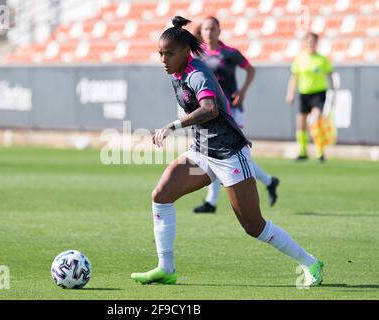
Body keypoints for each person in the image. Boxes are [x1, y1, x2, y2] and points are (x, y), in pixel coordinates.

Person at [130, 16, 323, 286]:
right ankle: (166, 268)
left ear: (186, 52)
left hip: (230, 154)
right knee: (161, 195)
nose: (163, 59)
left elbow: (211, 109)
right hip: (202, 152)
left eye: (169, 54)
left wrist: (173, 125)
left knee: (253, 226)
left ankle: (311, 262)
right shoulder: (176, 72)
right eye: (161, 53)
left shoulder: (197, 73)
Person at [192, 16, 279, 214]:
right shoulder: (198, 55)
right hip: (210, 112)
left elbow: (250, 69)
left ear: (219, 31)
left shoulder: (229, 53)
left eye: (213, 28)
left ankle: (213, 201)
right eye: (206, 29)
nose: (209, 32)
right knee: (212, 153)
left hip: (231, 110)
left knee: (233, 152)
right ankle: (267, 181)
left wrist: (242, 91)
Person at [286, 32, 336, 162]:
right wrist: (290, 93)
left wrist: (334, 90)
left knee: (314, 119)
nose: (311, 44)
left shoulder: (322, 59)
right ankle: (303, 151)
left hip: (319, 93)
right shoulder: (299, 59)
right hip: (304, 93)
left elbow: (330, 74)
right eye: (308, 41)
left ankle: (320, 151)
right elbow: (294, 76)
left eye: (313, 41)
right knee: (301, 123)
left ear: (317, 43)